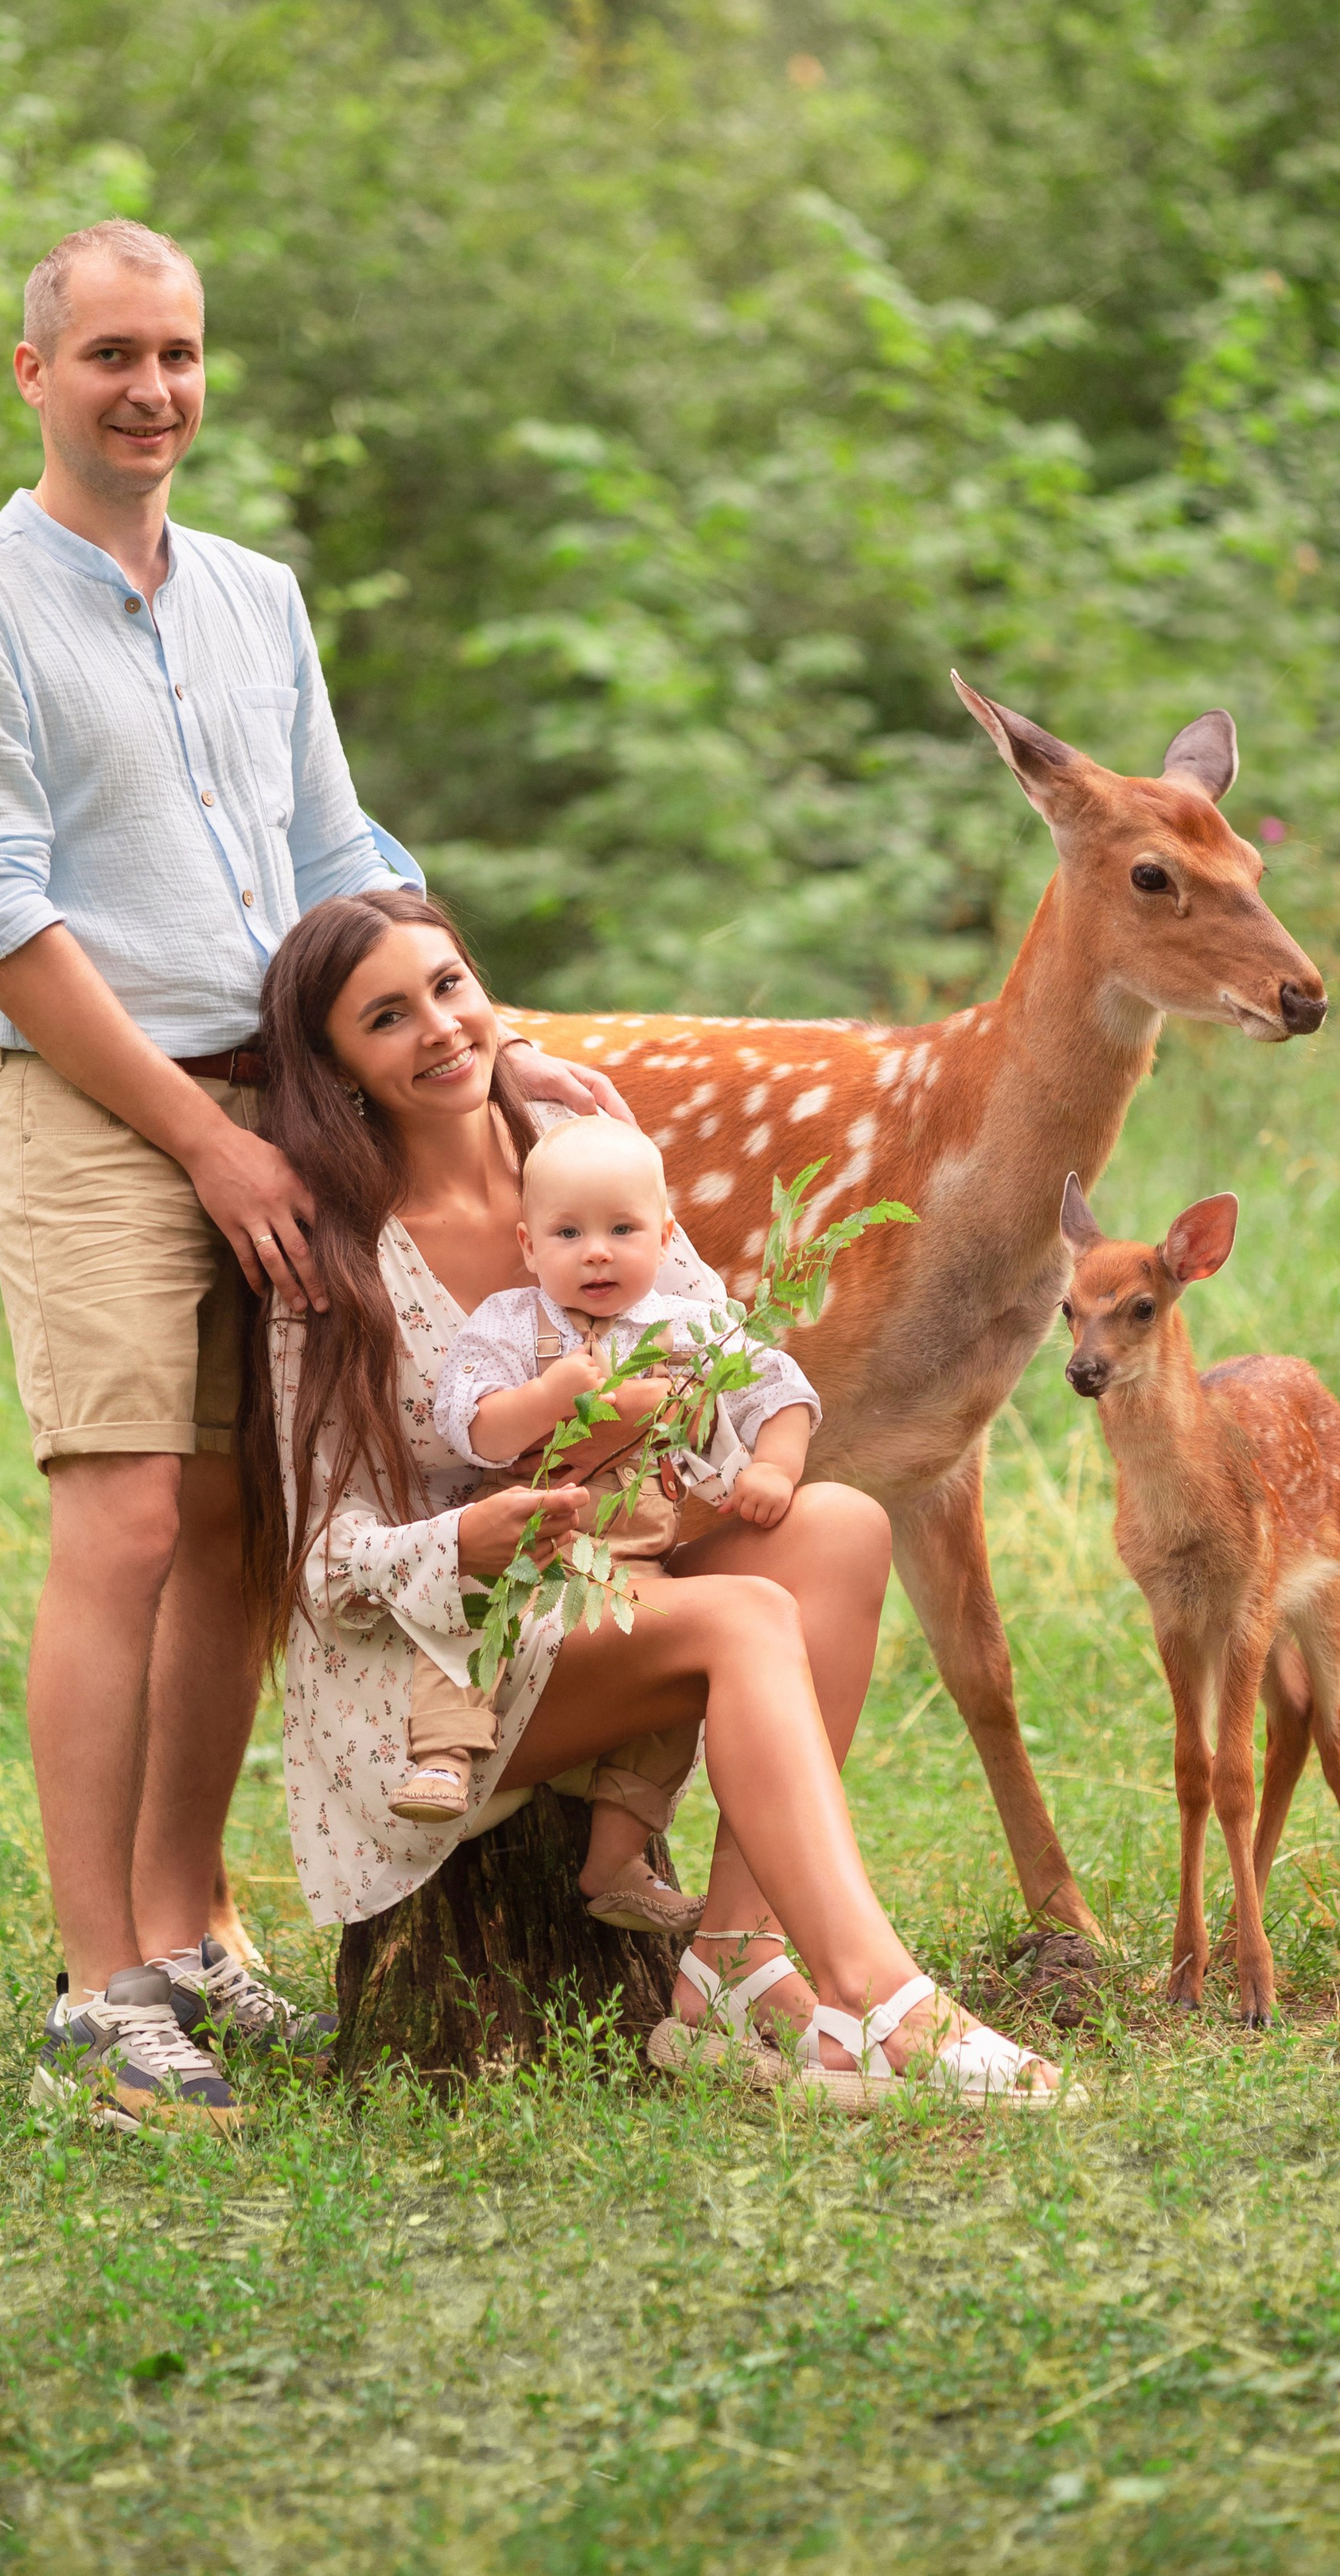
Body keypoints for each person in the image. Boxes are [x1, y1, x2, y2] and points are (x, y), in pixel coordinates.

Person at [0, 217, 629, 2134]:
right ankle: (97, 1984)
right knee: (127, 1514)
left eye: (180, 354)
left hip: (285, 1104)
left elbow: (340, 853)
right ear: (33, 372)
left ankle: (187, 1927)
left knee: (236, 1529)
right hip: (98, 1103)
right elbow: (0, 924)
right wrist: (202, 1141)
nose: (153, 390)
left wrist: (490, 1042)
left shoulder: (253, 597)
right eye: (112, 354)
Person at [244, 887, 1071, 2106]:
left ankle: (732, 1964)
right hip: (432, 1672)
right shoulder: (340, 1253)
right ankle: (881, 1992)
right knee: (744, 1616)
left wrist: (697, 1436)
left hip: (607, 1583)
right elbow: (323, 1559)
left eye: (449, 985)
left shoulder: (584, 1170)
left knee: (839, 1525)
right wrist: (465, 1536)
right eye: (386, 1017)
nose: (439, 1027)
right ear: (337, 1068)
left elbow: (734, 1363)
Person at [391, 1113, 818, 1943]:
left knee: (675, 1691)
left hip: (635, 1565)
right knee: (464, 1611)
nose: (596, 1253)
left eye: (622, 1230)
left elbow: (780, 1388)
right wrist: (546, 1398)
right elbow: (472, 1428)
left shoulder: (691, 1328)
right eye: (568, 1233)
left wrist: (773, 1465)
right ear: (528, 1246)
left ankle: (616, 1859)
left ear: (665, 1236)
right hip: (528, 1544)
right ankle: (442, 1756)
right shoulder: (509, 1324)